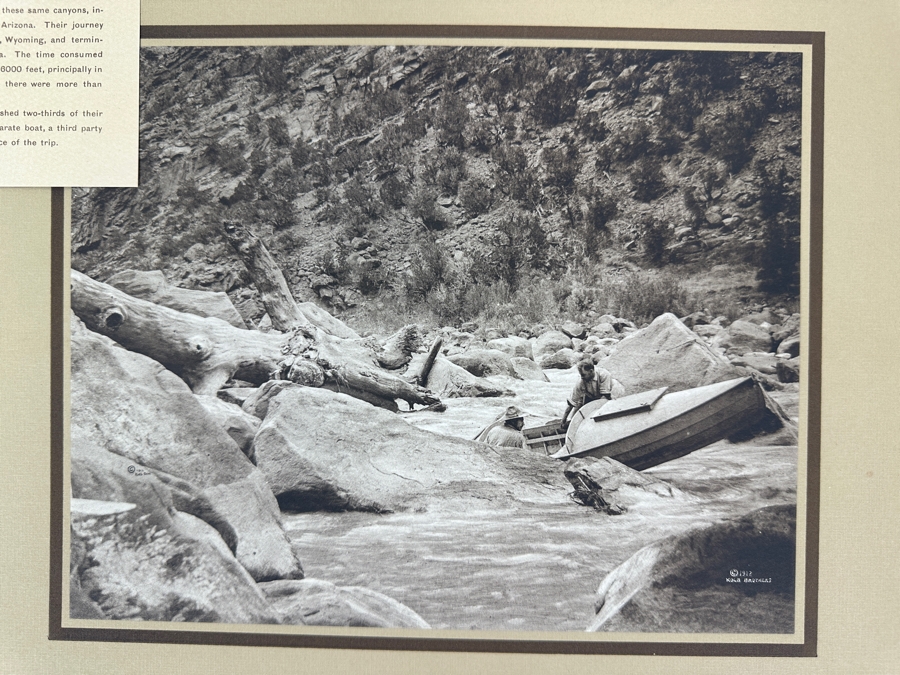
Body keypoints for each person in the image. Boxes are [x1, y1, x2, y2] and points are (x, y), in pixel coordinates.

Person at [561, 357, 613, 429]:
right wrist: (564, 420)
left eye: (583, 375)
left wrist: (591, 414)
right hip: (591, 396)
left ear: (591, 371)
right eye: (581, 375)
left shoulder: (604, 375)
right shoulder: (581, 382)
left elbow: (604, 397)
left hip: (607, 397)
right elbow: (571, 403)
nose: (582, 377)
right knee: (578, 408)